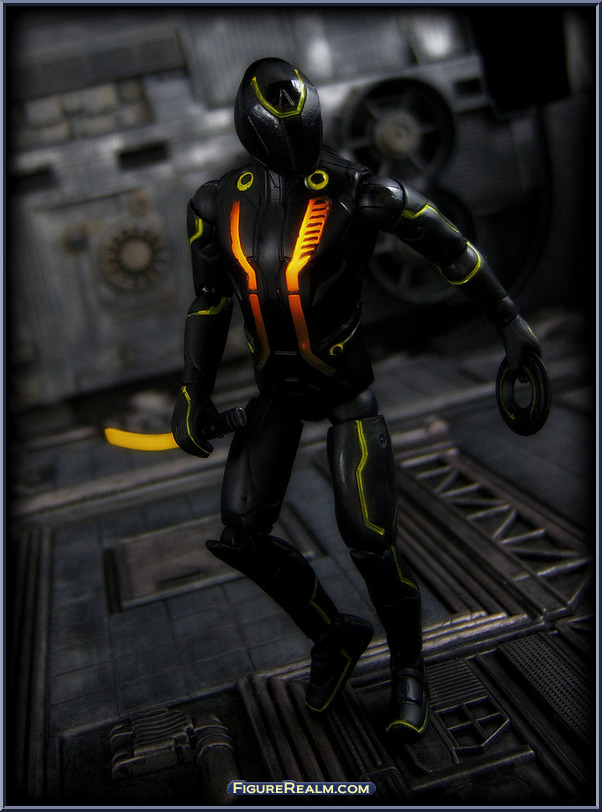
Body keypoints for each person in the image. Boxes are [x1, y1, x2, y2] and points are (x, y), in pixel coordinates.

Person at [171, 57, 543, 740]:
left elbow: (452, 249)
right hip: (277, 394)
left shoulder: (360, 192)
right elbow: (210, 301)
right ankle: (333, 633)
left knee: (370, 541)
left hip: (346, 393)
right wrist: (192, 393)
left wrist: (510, 323)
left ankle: (410, 670)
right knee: (242, 532)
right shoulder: (216, 203)